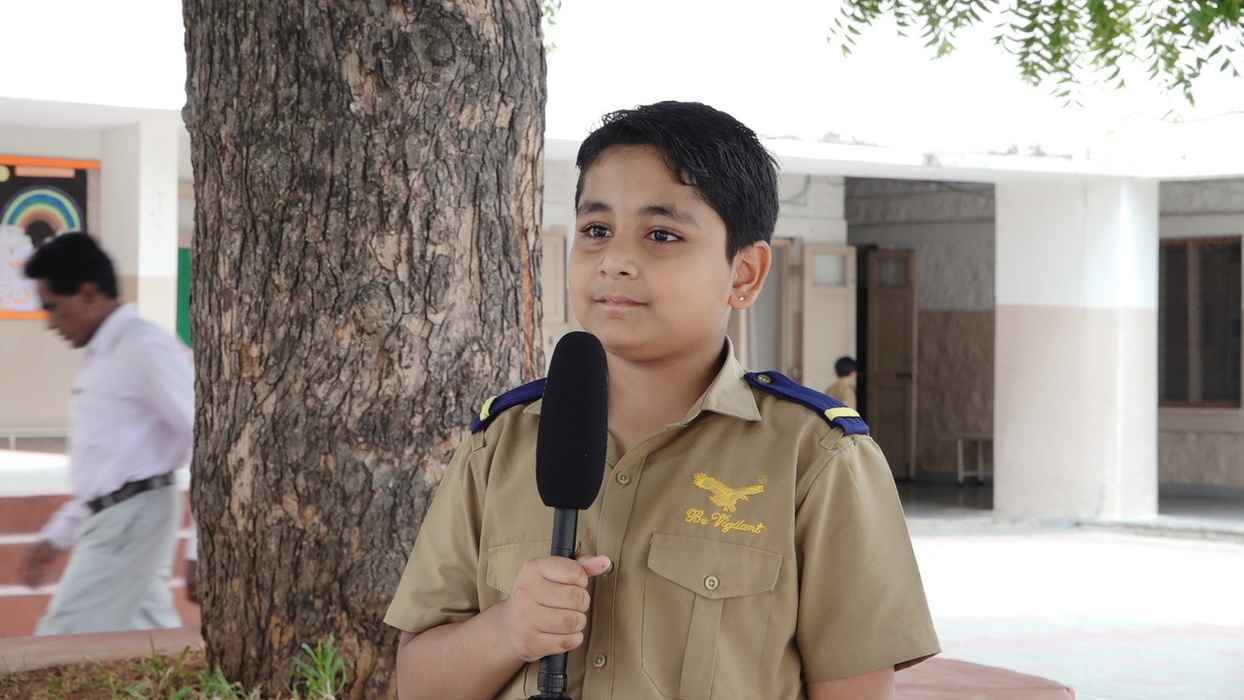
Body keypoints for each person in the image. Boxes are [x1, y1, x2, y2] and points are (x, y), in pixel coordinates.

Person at [385, 101, 939, 699]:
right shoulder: (501, 444)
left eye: (662, 235)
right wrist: (509, 631)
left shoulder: (817, 459)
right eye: (596, 231)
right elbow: (417, 685)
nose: (616, 261)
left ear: (745, 274)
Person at [18, 233, 194, 635]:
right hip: (119, 515)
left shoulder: (144, 347)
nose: (50, 324)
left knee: (62, 643)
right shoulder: (103, 354)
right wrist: (59, 534)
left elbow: (206, 435)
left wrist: (202, 547)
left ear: (88, 293)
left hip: (132, 518)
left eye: (53, 308)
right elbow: (106, 466)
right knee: (148, 641)